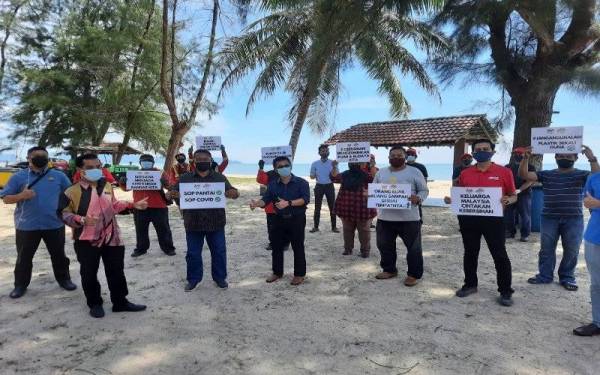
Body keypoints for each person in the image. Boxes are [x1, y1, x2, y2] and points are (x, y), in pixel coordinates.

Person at [59, 153, 148, 318]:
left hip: (112, 237)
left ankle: (120, 302)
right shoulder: (71, 192)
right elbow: (63, 214)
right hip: (86, 240)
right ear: (80, 170)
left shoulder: (107, 186)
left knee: (116, 271)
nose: (96, 170)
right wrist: (81, 220)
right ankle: (94, 303)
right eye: (90, 168)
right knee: (89, 273)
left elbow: (113, 205)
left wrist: (132, 205)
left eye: (98, 167)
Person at [447, 139, 517, 306]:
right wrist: (452, 199)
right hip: (469, 219)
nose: (482, 151)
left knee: (499, 254)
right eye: (478, 149)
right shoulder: (465, 173)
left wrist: (508, 200)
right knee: (470, 252)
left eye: (486, 149)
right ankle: (470, 284)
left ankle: (505, 290)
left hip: (494, 220)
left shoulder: (504, 172)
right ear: (473, 153)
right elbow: (462, 195)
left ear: (492, 151)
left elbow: (513, 195)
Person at [519, 146, 599, 291]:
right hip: (549, 217)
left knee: (572, 250)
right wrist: (525, 158)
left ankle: (567, 277)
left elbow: (597, 177)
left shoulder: (582, 174)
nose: (565, 158)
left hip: (574, 218)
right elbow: (524, 175)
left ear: (576, 159)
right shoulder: (546, 174)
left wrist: (592, 158)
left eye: (569, 156)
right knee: (546, 249)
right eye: (561, 156)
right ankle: (544, 276)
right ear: (555, 157)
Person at [1, 146, 76, 299]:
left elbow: (71, 195)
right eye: (37, 156)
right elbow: (6, 198)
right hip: (26, 225)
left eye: (44, 156)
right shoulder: (18, 177)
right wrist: (22, 195)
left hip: (54, 224)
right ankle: (20, 285)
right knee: (24, 257)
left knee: (59, 255)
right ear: (29, 158)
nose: (41, 158)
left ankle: (64, 279)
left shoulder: (59, 176)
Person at [168, 149, 239, 291]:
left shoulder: (220, 178)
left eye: (205, 159)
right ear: (193, 161)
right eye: (198, 159)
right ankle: (193, 279)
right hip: (193, 223)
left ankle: (220, 278)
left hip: (216, 223)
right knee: (193, 253)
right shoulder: (184, 178)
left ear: (210, 160)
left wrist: (233, 193)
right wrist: (170, 194)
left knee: (219, 252)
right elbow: (170, 194)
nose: (202, 161)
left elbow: (234, 193)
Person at [373, 146, 429, 287]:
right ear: (388, 157)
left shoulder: (415, 172)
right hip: (385, 217)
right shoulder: (381, 173)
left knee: (414, 248)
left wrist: (418, 198)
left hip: (409, 218)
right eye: (393, 155)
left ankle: (413, 275)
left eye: (399, 155)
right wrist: (368, 194)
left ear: (404, 157)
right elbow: (374, 190)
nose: (396, 157)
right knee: (384, 245)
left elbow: (424, 190)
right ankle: (389, 270)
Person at [250, 156, 310, 285]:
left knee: (297, 246)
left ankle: (299, 274)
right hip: (277, 219)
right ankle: (277, 272)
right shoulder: (272, 185)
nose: (283, 168)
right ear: (275, 169)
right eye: (280, 166)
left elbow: (305, 199)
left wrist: (288, 203)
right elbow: (265, 199)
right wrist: (257, 203)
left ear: (290, 166)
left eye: (286, 165)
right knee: (276, 246)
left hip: (296, 219)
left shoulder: (302, 182)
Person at [119, 154, 176, 258]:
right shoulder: (134, 174)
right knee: (140, 230)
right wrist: (122, 182)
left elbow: (170, 187)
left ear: (153, 163)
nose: (146, 163)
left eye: (148, 161)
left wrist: (165, 183)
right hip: (140, 206)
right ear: (140, 163)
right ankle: (141, 249)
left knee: (163, 229)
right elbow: (126, 189)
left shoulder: (160, 173)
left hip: (159, 206)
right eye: (143, 161)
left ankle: (168, 248)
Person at [331, 160, 377, 258]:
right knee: (347, 230)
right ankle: (348, 249)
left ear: (361, 164)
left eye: (356, 163)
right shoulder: (344, 174)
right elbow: (333, 178)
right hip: (347, 207)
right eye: (351, 162)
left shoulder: (366, 175)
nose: (353, 165)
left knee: (364, 231)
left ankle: (365, 251)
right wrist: (334, 166)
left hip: (363, 209)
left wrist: (372, 165)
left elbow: (376, 179)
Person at [574, 173, 600, 336]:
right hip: (594, 236)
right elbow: (588, 202)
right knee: (597, 283)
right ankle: (598, 322)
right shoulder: (595, 177)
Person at [257, 159, 289, 251]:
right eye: (278, 165)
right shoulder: (269, 174)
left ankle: (285, 243)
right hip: (271, 206)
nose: (281, 167)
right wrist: (261, 168)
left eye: (283, 165)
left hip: (284, 204)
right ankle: (273, 242)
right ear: (274, 166)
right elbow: (260, 180)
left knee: (285, 225)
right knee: (271, 226)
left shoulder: (287, 174)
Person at [504, 147, 535, 242]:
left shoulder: (530, 167)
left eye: (520, 153)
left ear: (524, 155)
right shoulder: (507, 167)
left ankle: (525, 234)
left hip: (524, 194)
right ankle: (510, 232)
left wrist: (519, 190)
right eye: (515, 153)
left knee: (525, 215)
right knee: (508, 214)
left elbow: (530, 181)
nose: (517, 155)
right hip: (510, 194)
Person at [309, 144, 338, 233]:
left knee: (332, 207)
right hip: (319, 186)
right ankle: (315, 227)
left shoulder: (333, 162)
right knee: (317, 208)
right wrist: (313, 174)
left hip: (329, 186)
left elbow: (335, 175)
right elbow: (311, 177)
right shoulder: (315, 163)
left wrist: (334, 166)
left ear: (328, 152)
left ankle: (334, 227)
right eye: (322, 151)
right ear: (319, 153)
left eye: (326, 150)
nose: (324, 152)